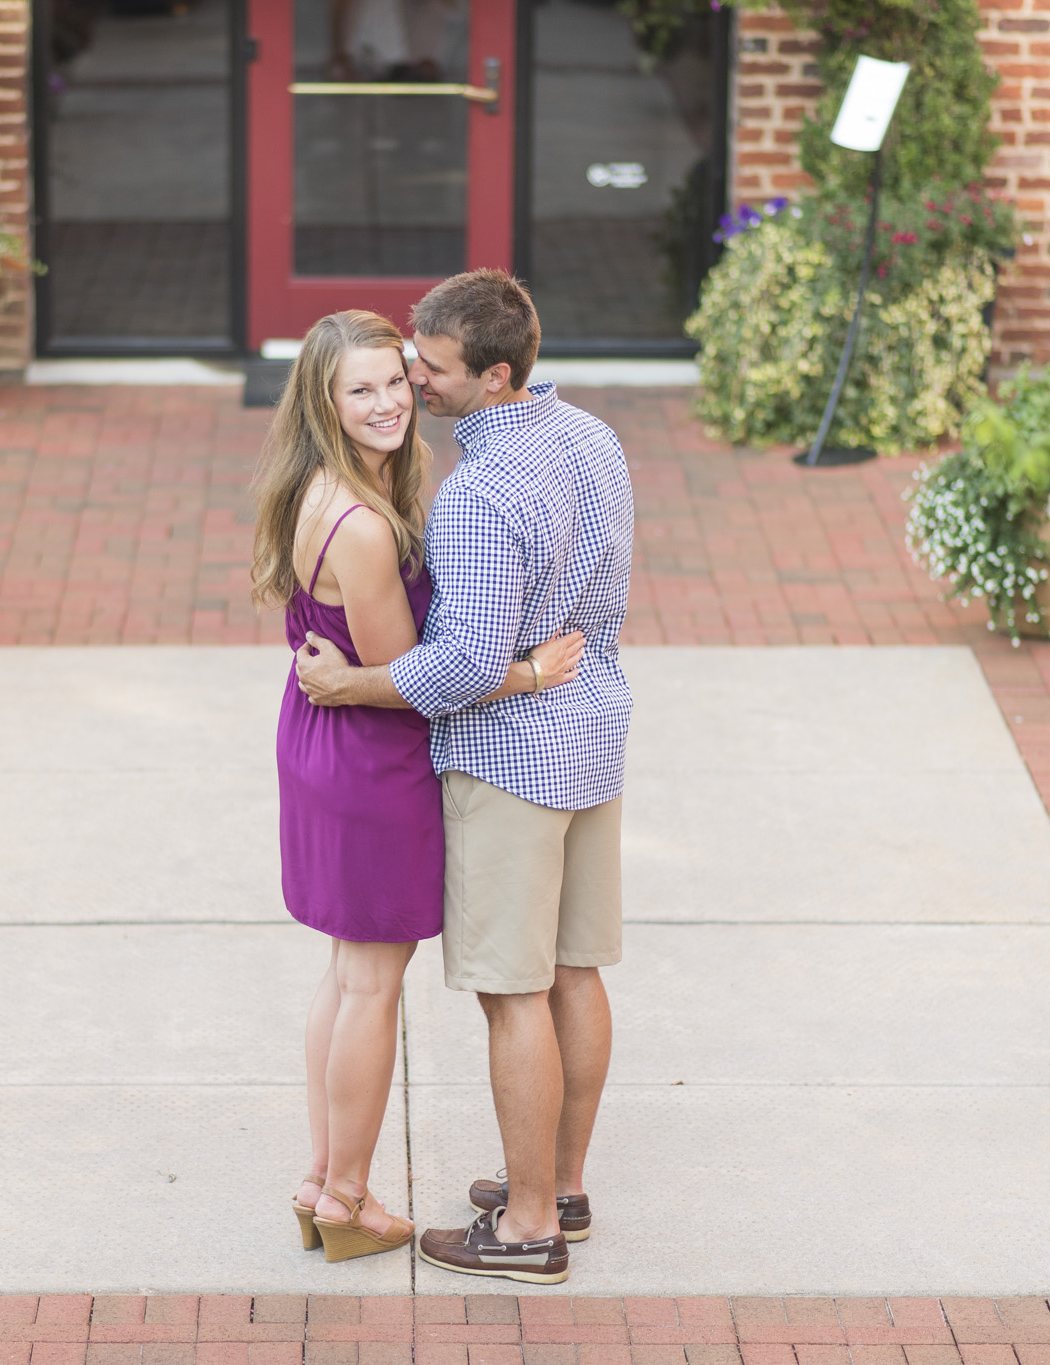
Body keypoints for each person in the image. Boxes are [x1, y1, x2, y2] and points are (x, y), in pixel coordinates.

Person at [295, 271, 633, 1286]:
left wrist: (351, 682)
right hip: (593, 736)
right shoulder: (591, 439)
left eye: (429, 368)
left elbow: (456, 666)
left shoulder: (480, 495)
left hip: (510, 766)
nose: (412, 380)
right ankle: (562, 1186)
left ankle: (526, 1226)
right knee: (576, 972)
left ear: (492, 376)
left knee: (511, 992)